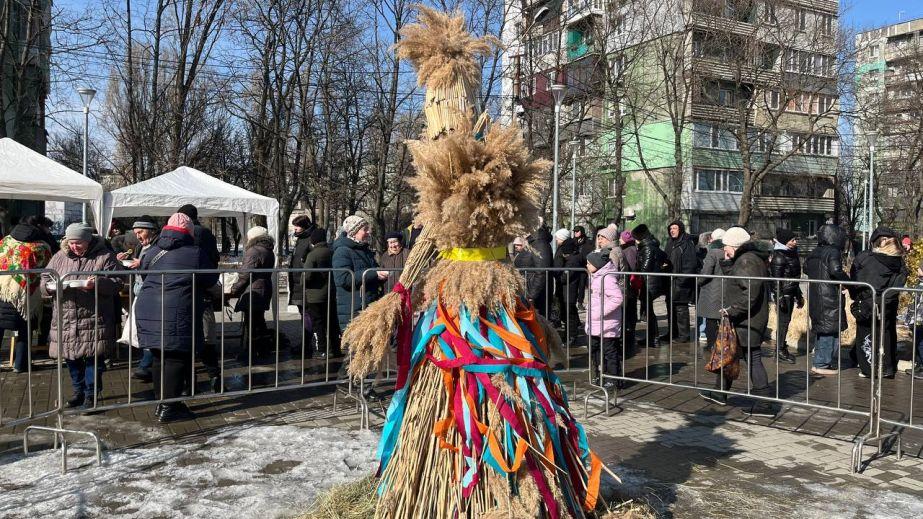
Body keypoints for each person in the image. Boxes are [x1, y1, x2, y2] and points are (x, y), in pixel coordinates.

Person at [135, 213, 219, 422]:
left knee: (158, 356)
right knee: (176, 358)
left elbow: (144, 273)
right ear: (189, 232)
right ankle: (169, 407)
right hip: (178, 308)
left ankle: (162, 402)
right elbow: (210, 278)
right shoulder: (195, 253)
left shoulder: (153, 250)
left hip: (148, 307)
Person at [43, 223, 122, 409]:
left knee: (93, 358)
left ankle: (91, 394)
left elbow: (118, 282)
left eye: (78, 243)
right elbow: (45, 278)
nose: (74, 247)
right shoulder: (59, 256)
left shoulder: (105, 256)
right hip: (66, 318)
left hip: (94, 317)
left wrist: (98, 283)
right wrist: (49, 288)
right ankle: (78, 391)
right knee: (71, 357)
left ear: (88, 241)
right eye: (71, 243)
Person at [699, 227, 775, 416]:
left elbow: (750, 292)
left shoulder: (746, 260)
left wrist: (733, 311)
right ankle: (720, 393)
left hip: (748, 318)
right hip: (746, 317)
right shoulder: (745, 259)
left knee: (753, 358)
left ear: (735, 245)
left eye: (726, 246)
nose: (724, 249)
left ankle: (764, 404)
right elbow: (737, 280)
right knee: (730, 354)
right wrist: (727, 262)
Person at [850, 227, 908, 379]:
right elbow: (900, 282)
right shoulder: (898, 261)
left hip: (868, 301)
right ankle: (887, 367)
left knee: (866, 334)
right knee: (887, 333)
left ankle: (869, 368)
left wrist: (855, 295)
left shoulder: (865, 258)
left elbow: (855, 277)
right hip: (888, 303)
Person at [0, 222, 52, 373]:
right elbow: (48, 267)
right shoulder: (41, 247)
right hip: (27, 296)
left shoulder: (4, 243)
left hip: (3, 291)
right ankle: (21, 364)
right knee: (25, 331)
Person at [804, 224, 850, 375]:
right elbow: (836, 270)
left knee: (823, 329)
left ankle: (820, 361)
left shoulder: (815, 251)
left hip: (816, 295)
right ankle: (821, 364)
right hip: (828, 296)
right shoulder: (833, 251)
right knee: (829, 330)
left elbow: (806, 268)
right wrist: (848, 281)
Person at [228, 226, 277, 360]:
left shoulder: (254, 251)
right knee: (259, 321)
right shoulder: (268, 250)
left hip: (254, 289)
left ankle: (251, 352)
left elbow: (245, 274)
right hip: (263, 288)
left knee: (252, 323)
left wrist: (234, 288)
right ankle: (263, 350)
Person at [332, 215, 387, 332]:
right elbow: (343, 279)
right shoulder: (342, 251)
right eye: (365, 229)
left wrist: (380, 275)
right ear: (354, 231)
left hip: (368, 304)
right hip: (353, 307)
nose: (368, 232)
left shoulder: (365, 250)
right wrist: (374, 273)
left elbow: (372, 271)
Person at [123, 216, 161, 382]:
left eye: (141, 232)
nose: (138, 236)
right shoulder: (141, 246)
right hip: (141, 292)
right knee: (141, 330)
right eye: (136, 232)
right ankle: (148, 365)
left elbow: (159, 267)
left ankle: (146, 366)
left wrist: (142, 264)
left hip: (152, 295)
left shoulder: (158, 246)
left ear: (151, 231)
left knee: (148, 331)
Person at [585, 250, 624, 389]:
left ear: (598, 265)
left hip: (606, 323)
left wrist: (600, 312)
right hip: (595, 322)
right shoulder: (595, 276)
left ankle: (614, 378)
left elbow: (617, 298)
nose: (587, 266)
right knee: (594, 348)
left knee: (609, 351)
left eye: (589, 263)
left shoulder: (607, 278)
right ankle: (600, 373)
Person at [302, 228, 340, 358]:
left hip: (315, 294)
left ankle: (321, 350)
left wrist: (303, 282)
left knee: (318, 323)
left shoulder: (313, 254)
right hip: (330, 292)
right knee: (332, 322)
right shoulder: (332, 251)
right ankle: (336, 348)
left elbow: (307, 276)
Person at [769, 228, 804, 365]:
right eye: (792, 240)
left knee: (785, 322)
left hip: (791, 291)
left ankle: (781, 348)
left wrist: (799, 294)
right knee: (783, 323)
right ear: (785, 241)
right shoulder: (779, 256)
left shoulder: (792, 254)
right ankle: (780, 350)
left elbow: (794, 277)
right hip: (784, 294)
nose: (795, 242)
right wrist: (779, 297)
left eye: (795, 239)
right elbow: (776, 279)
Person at [632, 224, 668, 347]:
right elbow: (664, 258)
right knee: (648, 312)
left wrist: (636, 273)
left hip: (649, 283)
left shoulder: (648, 248)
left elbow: (645, 268)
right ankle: (652, 337)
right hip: (649, 282)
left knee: (649, 312)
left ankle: (654, 338)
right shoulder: (651, 245)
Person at [663, 220, 698, 343]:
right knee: (670, 308)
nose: (672, 230)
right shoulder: (669, 243)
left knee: (681, 309)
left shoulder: (687, 244)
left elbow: (691, 265)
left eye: (675, 228)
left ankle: (684, 335)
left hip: (681, 283)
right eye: (670, 228)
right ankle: (672, 333)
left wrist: (681, 281)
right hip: (670, 281)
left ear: (681, 229)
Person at [696, 228, 727, 354]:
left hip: (711, 291)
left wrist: (698, 280)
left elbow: (706, 273)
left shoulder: (713, 252)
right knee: (722, 320)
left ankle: (712, 346)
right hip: (724, 290)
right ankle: (723, 345)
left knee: (710, 319)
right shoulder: (726, 251)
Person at [552, 229, 584, 334]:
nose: (556, 239)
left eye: (557, 237)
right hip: (564, 284)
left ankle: (571, 335)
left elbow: (569, 266)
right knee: (568, 309)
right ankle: (570, 332)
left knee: (569, 310)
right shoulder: (566, 248)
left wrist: (561, 277)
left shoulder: (569, 252)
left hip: (568, 285)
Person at [287, 215, 316, 313]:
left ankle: (308, 328)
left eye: (297, 226)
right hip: (296, 279)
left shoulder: (310, 238)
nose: (295, 228)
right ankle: (305, 328)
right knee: (302, 310)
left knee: (308, 312)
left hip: (304, 279)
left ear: (304, 226)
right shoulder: (300, 238)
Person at [618, 230, 638, 352]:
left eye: (621, 238)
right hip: (629, 285)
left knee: (629, 310)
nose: (619, 240)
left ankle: (629, 335)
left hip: (630, 285)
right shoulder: (629, 249)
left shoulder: (629, 250)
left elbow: (630, 268)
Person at [513, 236, 546, 310]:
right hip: (524, 285)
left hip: (528, 285)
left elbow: (540, 271)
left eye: (519, 245)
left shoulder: (529, 251)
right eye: (515, 245)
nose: (516, 247)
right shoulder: (520, 253)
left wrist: (532, 294)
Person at [528, 226, 554, 317]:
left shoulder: (539, 243)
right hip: (533, 289)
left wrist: (532, 295)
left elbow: (541, 271)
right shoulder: (535, 242)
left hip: (538, 293)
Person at [903, 263, 923, 379]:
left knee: (920, 344)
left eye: (919, 268)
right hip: (916, 320)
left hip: (919, 320)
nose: (917, 269)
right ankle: (919, 364)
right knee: (916, 343)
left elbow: (916, 304)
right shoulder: (918, 283)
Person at [573, 226, 594, 310]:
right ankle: (573, 302)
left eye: (577, 231)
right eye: (574, 231)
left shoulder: (588, 242)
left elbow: (589, 252)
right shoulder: (573, 241)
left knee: (582, 285)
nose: (575, 233)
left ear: (581, 232)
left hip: (584, 267)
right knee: (574, 285)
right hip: (575, 266)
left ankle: (580, 302)